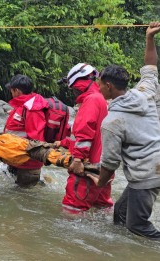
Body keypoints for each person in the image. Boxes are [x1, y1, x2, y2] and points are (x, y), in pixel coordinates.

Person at [88, 22, 160, 240]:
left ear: (108, 86)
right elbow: (150, 68)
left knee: (138, 226)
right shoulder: (144, 93)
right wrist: (150, 38)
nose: (98, 88)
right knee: (120, 213)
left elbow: (110, 163)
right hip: (156, 166)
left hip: (146, 175)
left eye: (100, 85)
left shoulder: (112, 122)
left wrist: (99, 183)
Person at [56, 63, 113, 212]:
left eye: (73, 88)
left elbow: (85, 132)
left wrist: (77, 160)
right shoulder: (102, 99)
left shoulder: (91, 100)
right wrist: (63, 142)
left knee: (72, 210)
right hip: (104, 168)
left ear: (78, 85)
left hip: (88, 169)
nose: (73, 92)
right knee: (102, 209)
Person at [4, 74, 48, 187]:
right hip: (18, 158)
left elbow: (36, 139)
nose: (11, 93)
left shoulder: (33, 109)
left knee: (24, 197)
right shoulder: (24, 105)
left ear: (17, 91)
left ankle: (40, 182)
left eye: (11, 90)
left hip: (27, 164)